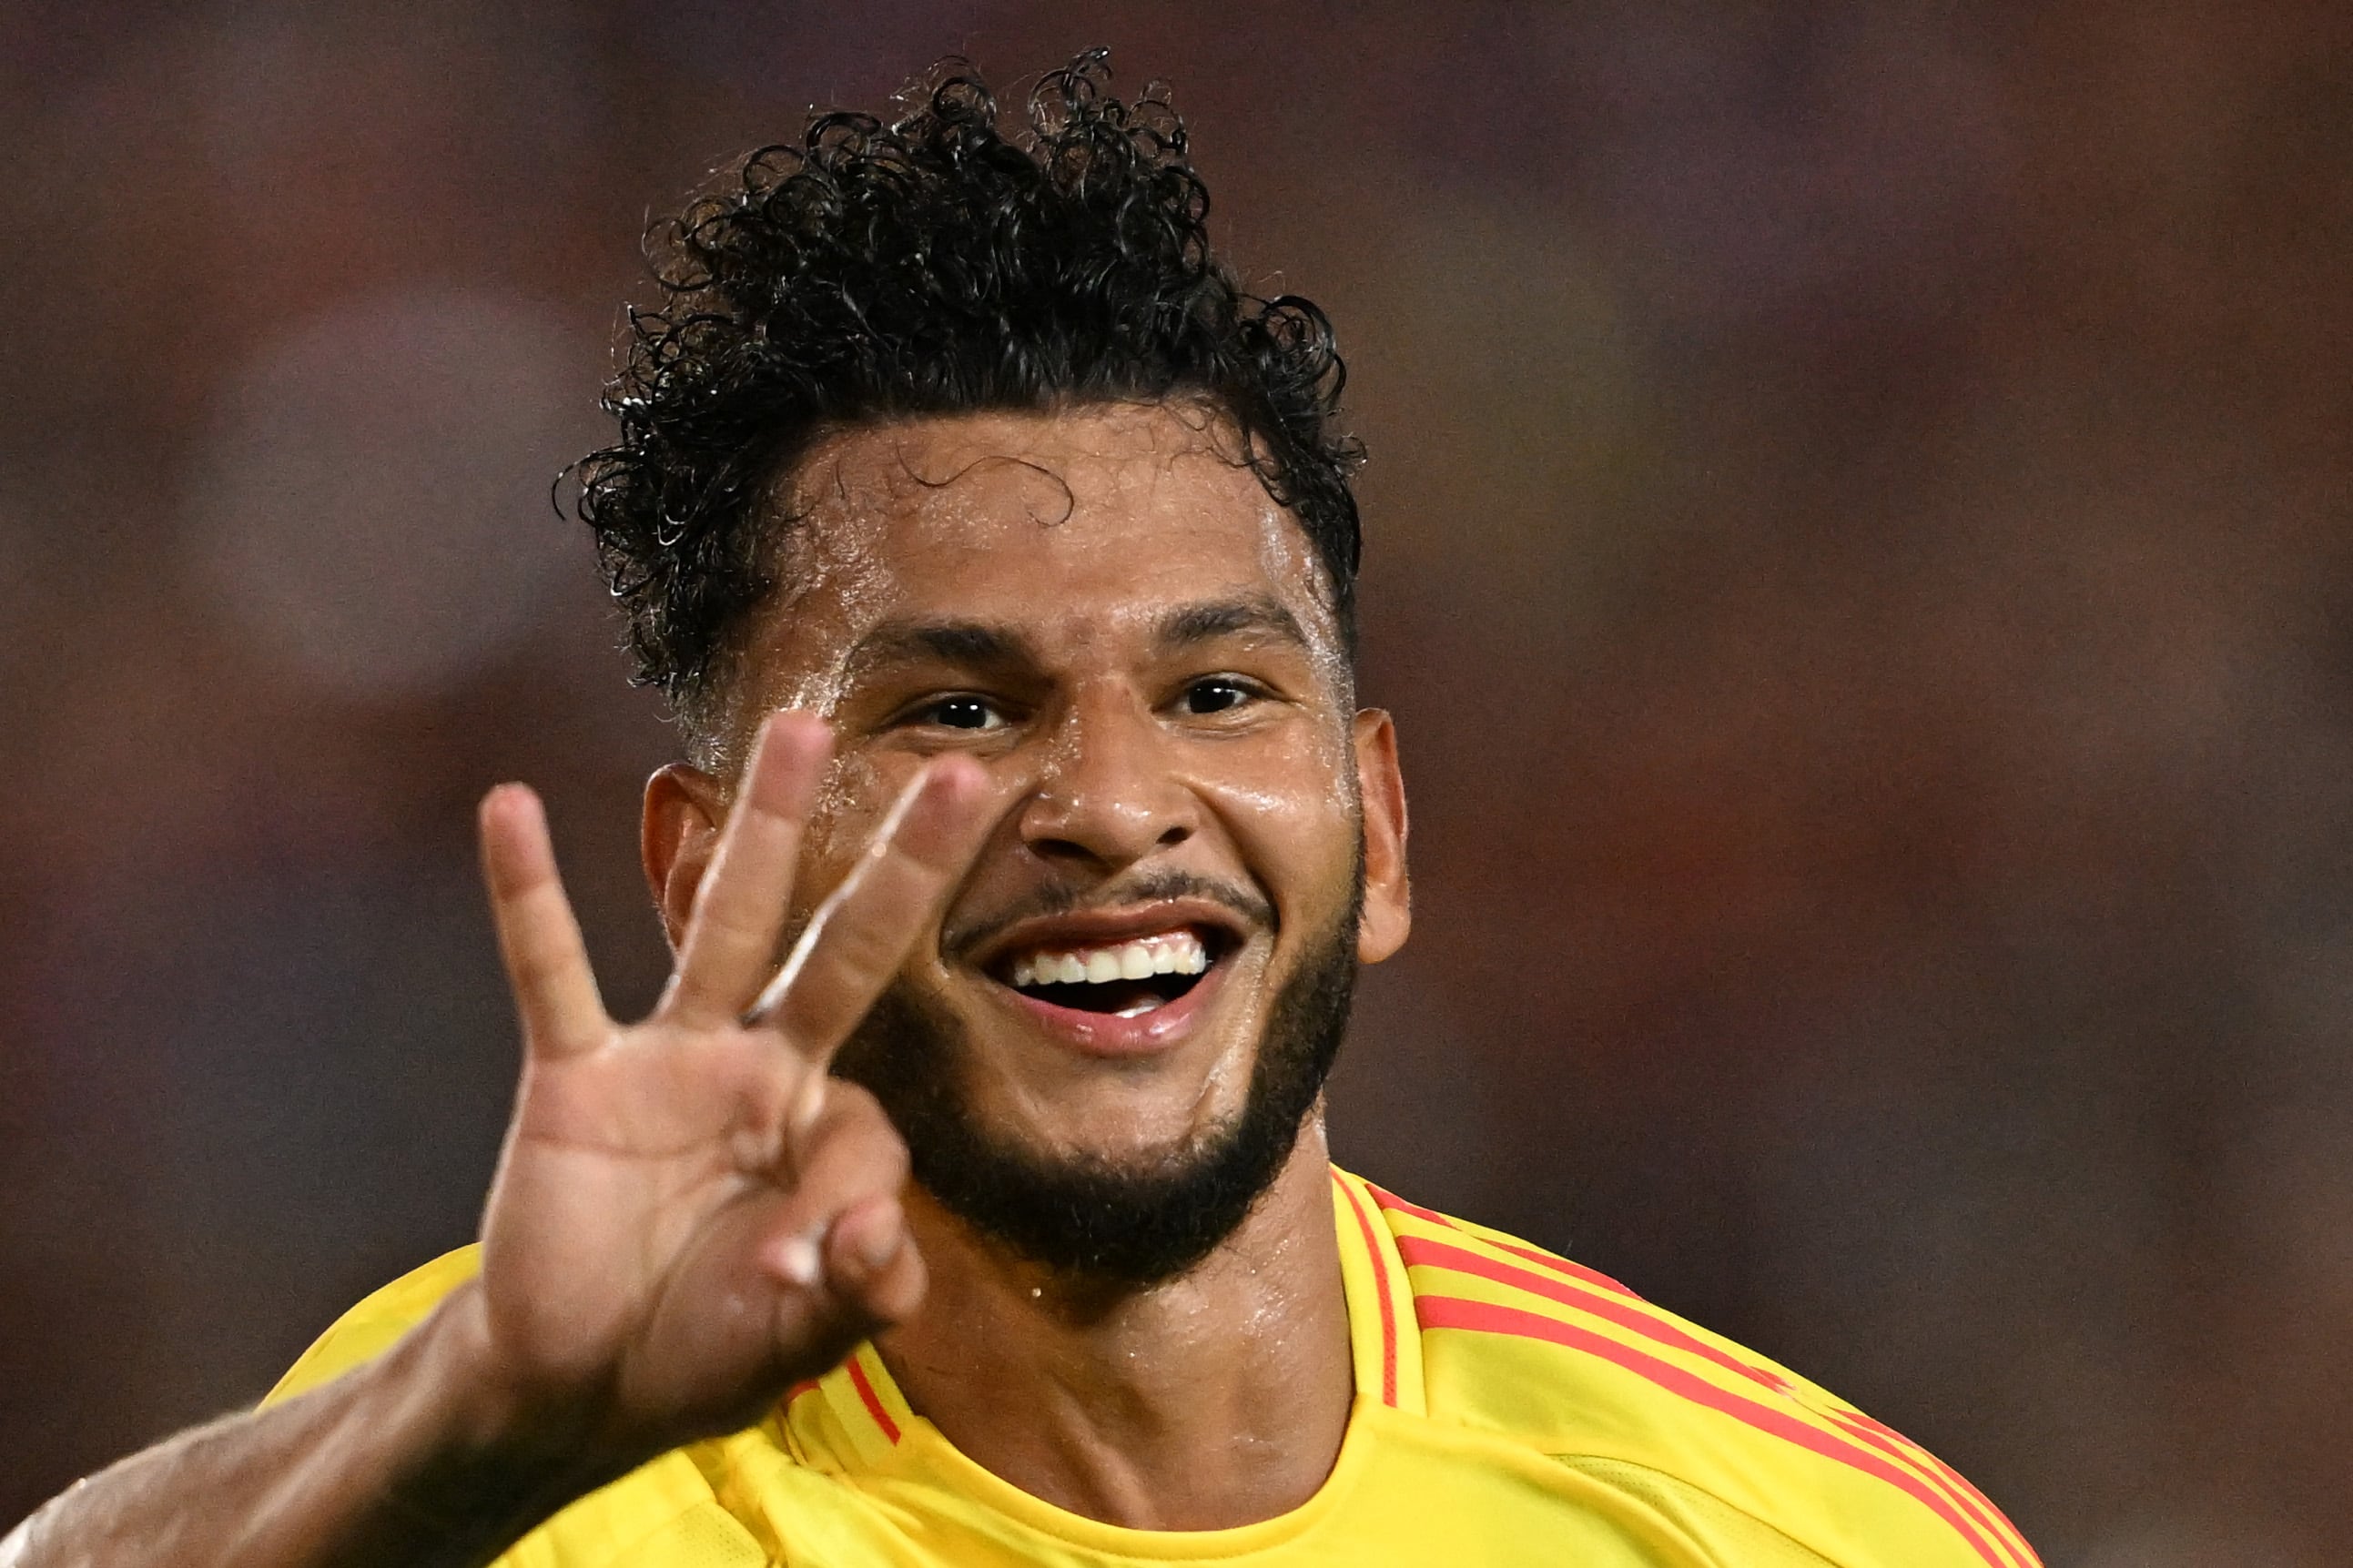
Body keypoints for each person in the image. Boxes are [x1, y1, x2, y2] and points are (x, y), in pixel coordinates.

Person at [3, 53, 2041, 1568]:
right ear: (709, 879)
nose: (1115, 804)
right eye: (960, 708)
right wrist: (467, 1420)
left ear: (1379, 824)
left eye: (1217, 692)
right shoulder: (519, 1469)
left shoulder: (1783, 1532)